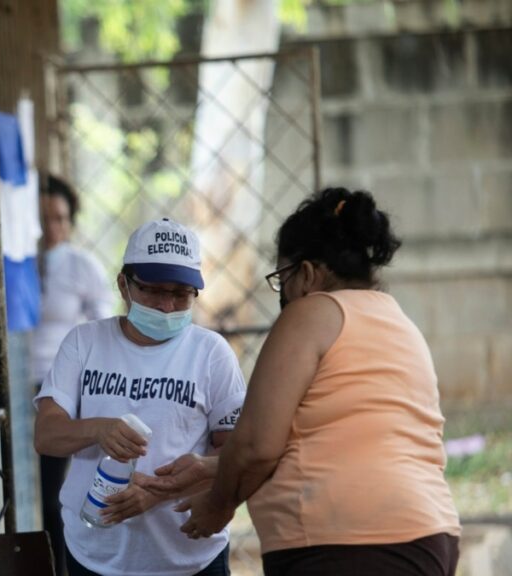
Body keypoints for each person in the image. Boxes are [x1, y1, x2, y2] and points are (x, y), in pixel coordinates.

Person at [173, 188, 461, 575]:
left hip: (346, 543)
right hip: (428, 535)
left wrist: (219, 503)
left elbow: (258, 444)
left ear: (306, 273)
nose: (284, 296)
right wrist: (214, 467)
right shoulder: (399, 323)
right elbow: (336, 439)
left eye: (282, 280)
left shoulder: (310, 313)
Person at [34, 217, 246, 576]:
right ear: (123, 285)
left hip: (188, 557)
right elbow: (47, 435)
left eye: (180, 294)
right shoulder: (85, 342)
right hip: (95, 555)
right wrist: (98, 430)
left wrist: (157, 494)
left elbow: (234, 454)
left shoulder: (211, 353)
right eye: (153, 290)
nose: (166, 306)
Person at [32, 175, 115, 575]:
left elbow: (104, 327)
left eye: (60, 218)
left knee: (56, 492)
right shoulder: (11, 264)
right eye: (44, 217)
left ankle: (63, 566)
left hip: (64, 388)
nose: (52, 227)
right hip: (16, 384)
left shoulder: (83, 266)